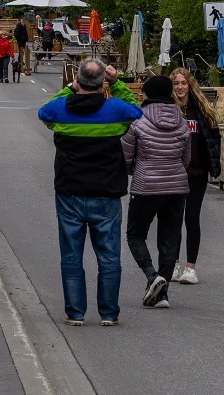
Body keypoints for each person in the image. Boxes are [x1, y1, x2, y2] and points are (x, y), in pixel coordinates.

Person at [37, 57, 141, 326]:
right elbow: (135, 110)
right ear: (102, 81)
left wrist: (69, 88)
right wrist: (117, 84)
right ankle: (108, 313)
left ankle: (75, 313)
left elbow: (44, 112)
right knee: (109, 256)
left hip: (69, 191)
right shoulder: (115, 110)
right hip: (106, 193)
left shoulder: (61, 109)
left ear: (78, 80)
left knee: (71, 256)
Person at [122, 73, 193, 309]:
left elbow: (126, 158)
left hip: (145, 187)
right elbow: (186, 159)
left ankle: (152, 275)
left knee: (135, 235)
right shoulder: (182, 122)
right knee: (169, 239)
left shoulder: (138, 121)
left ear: (147, 94)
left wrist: (139, 171)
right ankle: (162, 294)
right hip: (176, 188)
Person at [169, 67, 220, 284]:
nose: (180, 87)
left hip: (197, 173)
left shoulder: (201, 111)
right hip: (173, 174)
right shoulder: (168, 110)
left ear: (190, 85)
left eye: (184, 83)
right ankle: (173, 264)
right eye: (176, 83)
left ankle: (190, 268)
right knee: (173, 220)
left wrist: (214, 165)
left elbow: (213, 139)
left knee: (191, 218)